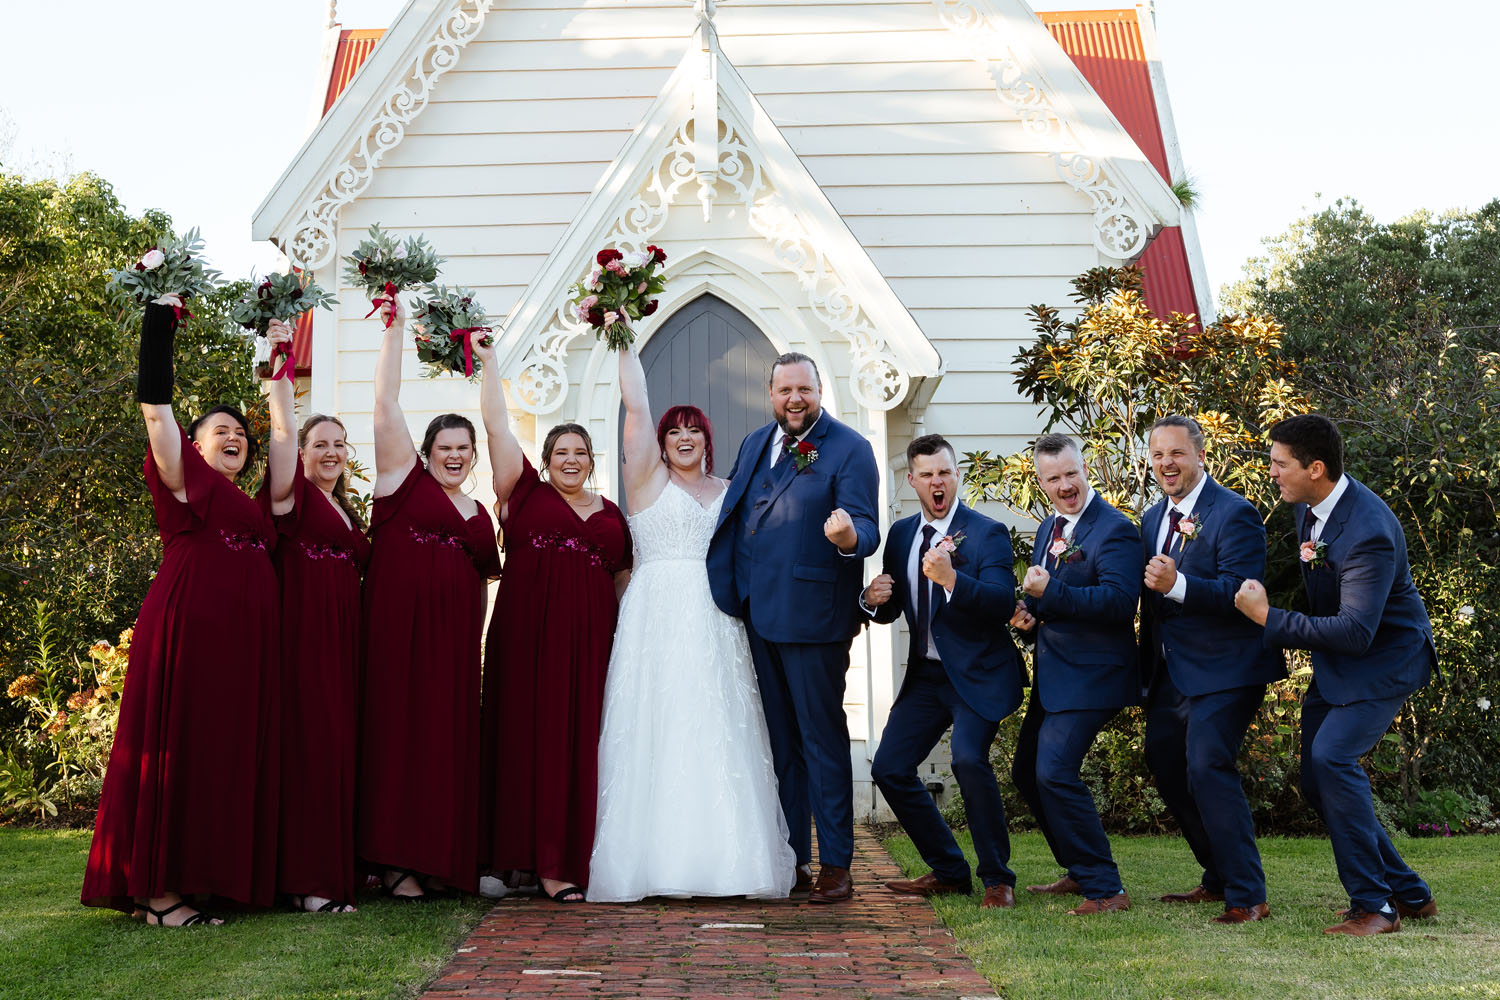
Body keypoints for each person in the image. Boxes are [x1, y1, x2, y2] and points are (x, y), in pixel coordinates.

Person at [82, 301, 280, 926]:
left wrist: (278, 367)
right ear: (193, 446)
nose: (233, 437)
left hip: (240, 646)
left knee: (215, 753)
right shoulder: (185, 478)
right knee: (177, 746)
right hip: (189, 630)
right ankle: (158, 892)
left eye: (239, 433)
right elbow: (154, 407)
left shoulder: (244, 501)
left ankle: (202, 877)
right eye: (218, 430)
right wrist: (159, 318)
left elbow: (284, 441)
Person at [586, 346, 795, 901]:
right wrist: (622, 332)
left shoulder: (730, 491)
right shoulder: (646, 482)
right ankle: (651, 864)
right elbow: (635, 404)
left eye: (694, 430)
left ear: (707, 439)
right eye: (673, 430)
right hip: (655, 615)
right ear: (659, 442)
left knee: (717, 724)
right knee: (657, 722)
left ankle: (727, 861)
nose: (683, 437)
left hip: (714, 618)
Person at [1234, 414, 1438, 936]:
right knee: (1314, 780)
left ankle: (1376, 907)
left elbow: (1354, 632)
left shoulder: (1368, 529)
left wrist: (1267, 619)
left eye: (1280, 464)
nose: (1272, 472)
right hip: (1339, 665)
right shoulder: (1309, 509)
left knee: (1333, 758)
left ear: (1315, 468)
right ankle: (1411, 894)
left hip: (1384, 662)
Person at [706, 352, 880, 904]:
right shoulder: (757, 442)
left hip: (814, 620)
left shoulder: (849, 448)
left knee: (821, 741)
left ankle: (836, 864)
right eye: (784, 391)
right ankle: (792, 857)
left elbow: (868, 527)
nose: (794, 400)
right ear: (771, 393)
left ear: (819, 390)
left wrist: (849, 536)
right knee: (782, 743)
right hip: (758, 615)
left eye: (803, 389)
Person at [356, 300, 501, 900]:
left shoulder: (479, 512)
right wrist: (393, 327)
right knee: (397, 741)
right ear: (427, 450)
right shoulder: (401, 480)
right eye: (445, 446)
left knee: (445, 746)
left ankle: (439, 858)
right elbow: (385, 405)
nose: (456, 455)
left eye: (464, 448)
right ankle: (394, 862)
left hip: (455, 651)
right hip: (398, 640)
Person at [861, 434, 1025, 909]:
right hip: (927, 676)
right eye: (927, 474)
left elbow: (999, 602)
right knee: (890, 768)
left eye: (945, 473)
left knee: (969, 761)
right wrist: (869, 601)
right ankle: (950, 870)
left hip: (977, 673)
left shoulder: (986, 531)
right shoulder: (901, 535)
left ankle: (998, 878)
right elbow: (892, 610)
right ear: (912, 480)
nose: (938, 482)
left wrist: (953, 578)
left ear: (957, 476)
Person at [480, 393, 633, 902]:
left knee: (578, 744)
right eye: (561, 452)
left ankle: (568, 856)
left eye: (581, 452)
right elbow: (498, 426)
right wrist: (488, 360)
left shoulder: (611, 513)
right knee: (525, 737)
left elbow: (623, 580)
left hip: (591, 642)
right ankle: (526, 862)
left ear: (592, 461)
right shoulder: (524, 494)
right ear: (545, 462)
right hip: (528, 638)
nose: (571, 460)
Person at [1138, 415, 1284, 924]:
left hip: (1229, 667)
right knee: (1165, 760)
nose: (1165, 464)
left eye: (1175, 453)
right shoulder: (1152, 517)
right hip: (1173, 672)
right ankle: (1217, 875)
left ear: (1200, 456)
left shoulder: (1235, 513)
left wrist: (1179, 584)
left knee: (1206, 766)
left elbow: (1242, 592)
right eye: (1157, 455)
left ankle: (1248, 895)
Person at [261, 319, 370, 913]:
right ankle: (307, 882)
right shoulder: (293, 497)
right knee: (309, 752)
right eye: (319, 444)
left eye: (337, 444)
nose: (330, 452)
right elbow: (280, 434)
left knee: (337, 752)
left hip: (343, 642)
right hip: (304, 640)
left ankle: (336, 869)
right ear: (303, 455)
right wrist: (280, 363)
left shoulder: (347, 509)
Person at [1008, 433, 1140, 915]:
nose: (1066, 486)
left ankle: (1106, 889)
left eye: (1072, 474)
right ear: (1041, 483)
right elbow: (1050, 598)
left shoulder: (1115, 529)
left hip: (1093, 674)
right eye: (1054, 479)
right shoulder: (1050, 528)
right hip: (1054, 673)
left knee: (1055, 771)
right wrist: (1030, 615)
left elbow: (1120, 602)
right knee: (1027, 772)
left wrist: (1048, 598)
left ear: (1086, 470)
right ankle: (1078, 869)